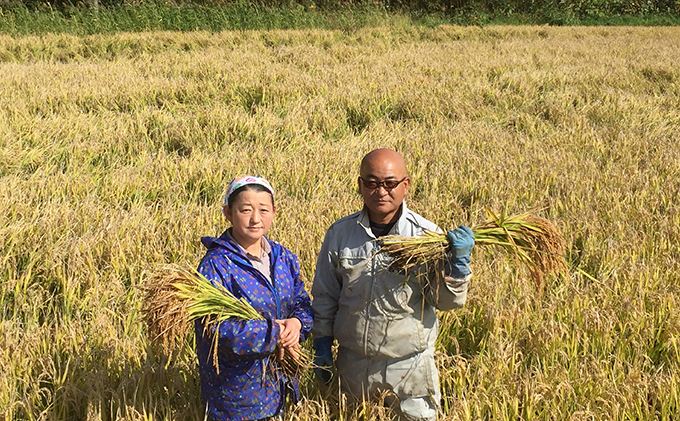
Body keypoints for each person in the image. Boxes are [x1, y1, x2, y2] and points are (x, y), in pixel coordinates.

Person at [311, 149, 474, 421]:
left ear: (406, 185)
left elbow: (446, 302)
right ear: (360, 185)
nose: (381, 191)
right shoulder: (340, 234)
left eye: (390, 183)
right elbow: (326, 295)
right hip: (354, 365)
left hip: (409, 368)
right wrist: (322, 344)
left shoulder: (427, 235)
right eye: (372, 183)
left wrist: (458, 267)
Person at [195, 176, 313, 421]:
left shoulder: (283, 258)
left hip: (280, 385)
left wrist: (297, 324)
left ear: (274, 211)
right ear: (228, 212)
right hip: (237, 397)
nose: (255, 219)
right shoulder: (216, 265)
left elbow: (301, 301)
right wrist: (272, 334)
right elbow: (214, 327)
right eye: (245, 210)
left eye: (263, 210)